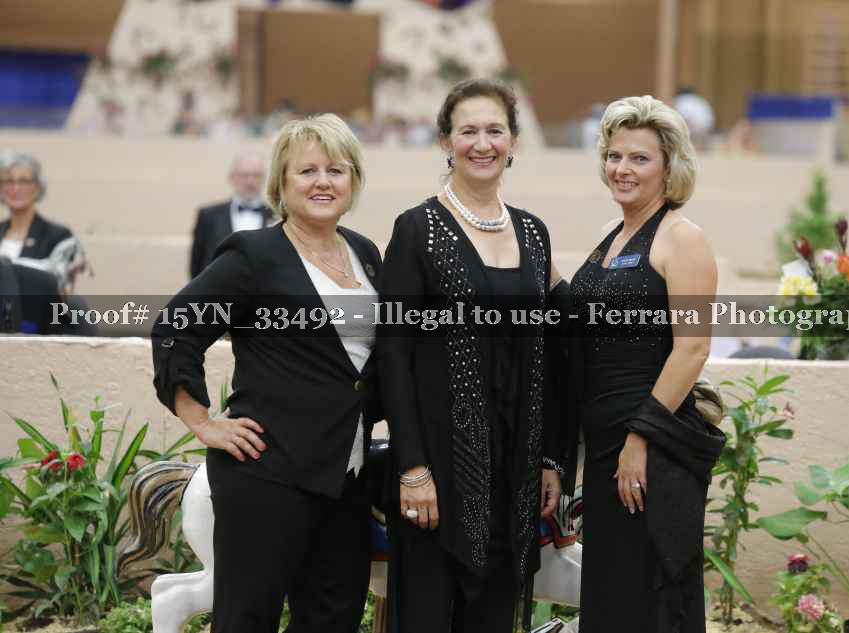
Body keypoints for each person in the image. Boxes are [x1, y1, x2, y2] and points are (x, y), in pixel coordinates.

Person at [152, 114, 382, 633]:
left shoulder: (365, 253)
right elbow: (177, 326)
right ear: (281, 182)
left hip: (346, 475)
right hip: (267, 473)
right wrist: (202, 421)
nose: (323, 182)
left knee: (333, 620)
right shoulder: (253, 255)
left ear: (353, 180)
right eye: (307, 170)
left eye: (336, 170)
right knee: (247, 619)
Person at [377, 78, 568, 633]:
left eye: (494, 130)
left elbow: (555, 347)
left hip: (514, 470)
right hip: (437, 470)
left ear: (513, 141)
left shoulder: (533, 233)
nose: (482, 144)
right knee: (427, 615)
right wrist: (413, 468)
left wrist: (551, 459)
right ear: (445, 141)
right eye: (468, 132)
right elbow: (393, 354)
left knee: (492, 616)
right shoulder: (417, 229)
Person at [569, 96, 726, 632]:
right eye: (614, 156)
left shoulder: (682, 238)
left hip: (650, 446)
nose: (622, 169)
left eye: (639, 158)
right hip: (606, 445)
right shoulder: (614, 238)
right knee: (611, 594)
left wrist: (641, 439)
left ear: (668, 167)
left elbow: (693, 348)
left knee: (652, 595)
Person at [0, 152, 88, 292]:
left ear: (38, 187)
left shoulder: (59, 236)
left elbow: (62, 290)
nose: (16, 188)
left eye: (24, 181)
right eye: (9, 181)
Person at [189, 151, 272, 278]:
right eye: (244, 175)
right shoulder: (208, 216)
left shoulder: (278, 216)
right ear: (231, 177)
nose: (250, 181)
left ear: (264, 179)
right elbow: (197, 265)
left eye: (256, 176)